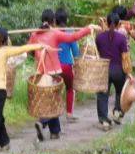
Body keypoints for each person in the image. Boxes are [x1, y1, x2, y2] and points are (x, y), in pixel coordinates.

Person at [0, 29, 46, 154]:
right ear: (4, 41)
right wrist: (39, 45)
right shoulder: (4, 51)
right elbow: (23, 49)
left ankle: (4, 142)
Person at [28, 12, 93, 141]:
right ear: (53, 21)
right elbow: (72, 37)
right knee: (54, 100)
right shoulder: (54, 33)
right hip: (54, 72)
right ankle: (43, 122)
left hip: (40, 73)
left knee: (49, 99)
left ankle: (55, 131)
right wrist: (88, 29)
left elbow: (29, 50)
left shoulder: (34, 34)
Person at [95, 13, 131, 130]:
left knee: (102, 95)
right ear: (118, 24)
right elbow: (125, 58)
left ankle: (104, 120)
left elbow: (97, 53)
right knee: (120, 93)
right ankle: (117, 113)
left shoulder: (99, 37)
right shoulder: (122, 38)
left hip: (103, 70)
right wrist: (129, 73)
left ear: (107, 22)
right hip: (118, 70)